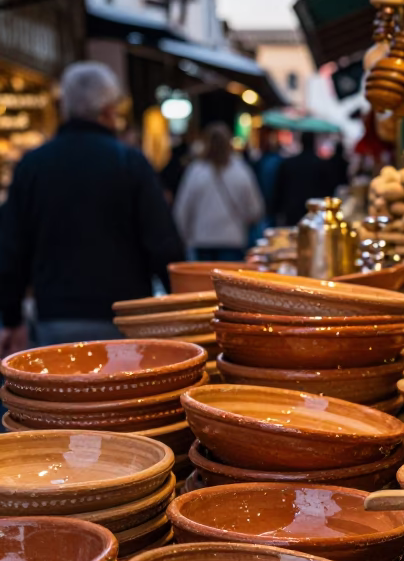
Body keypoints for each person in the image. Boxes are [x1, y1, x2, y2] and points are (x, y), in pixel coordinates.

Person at [0, 61, 184, 355]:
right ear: (109, 110)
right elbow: (162, 243)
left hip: (55, 316)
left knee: (61, 398)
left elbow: (11, 247)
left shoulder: (32, 166)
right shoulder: (130, 163)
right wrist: (180, 309)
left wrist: (11, 317)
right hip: (123, 316)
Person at [173, 122, 264, 261]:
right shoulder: (241, 171)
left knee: (203, 282)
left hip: (202, 240)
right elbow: (255, 210)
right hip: (233, 240)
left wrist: (184, 238)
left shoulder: (196, 171)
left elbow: (182, 209)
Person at [272, 131, 337, 226]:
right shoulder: (322, 165)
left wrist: (276, 210)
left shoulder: (290, 163)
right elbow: (329, 190)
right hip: (313, 213)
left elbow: (279, 189)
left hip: (294, 211)